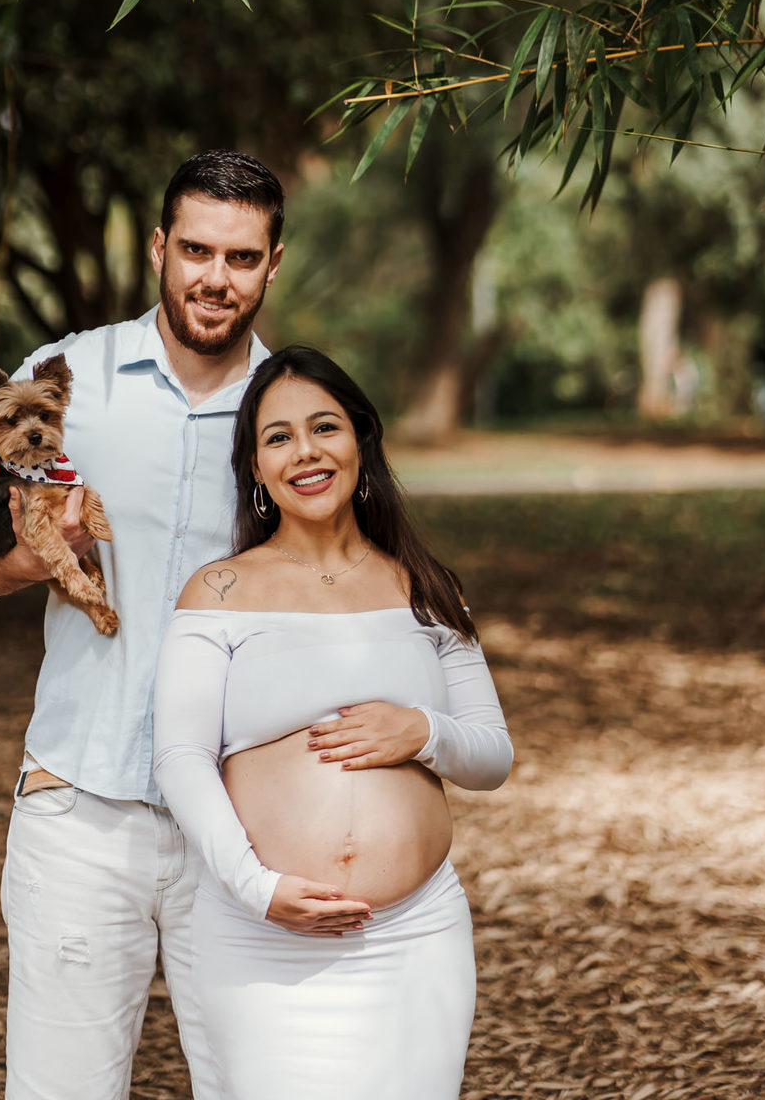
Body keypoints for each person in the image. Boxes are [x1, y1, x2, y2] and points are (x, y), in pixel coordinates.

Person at [0, 150, 287, 1100]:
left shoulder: (292, 407)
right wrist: (32, 559)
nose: (216, 278)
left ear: (272, 266)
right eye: (198, 250)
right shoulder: (70, 371)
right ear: (161, 251)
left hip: (246, 821)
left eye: (242, 258)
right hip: (81, 809)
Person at [152, 344, 513, 1100]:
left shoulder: (423, 584)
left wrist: (423, 731)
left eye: (326, 427)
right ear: (254, 467)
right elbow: (181, 756)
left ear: (361, 441)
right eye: (278, 437)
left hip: (418, 935)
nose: (305, 452)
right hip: (265, 935)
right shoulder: (219, 589)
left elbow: (491, 755)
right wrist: (255, 888)